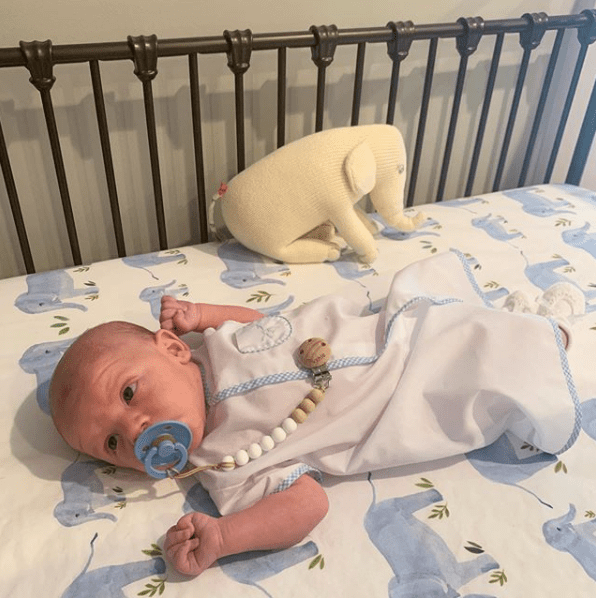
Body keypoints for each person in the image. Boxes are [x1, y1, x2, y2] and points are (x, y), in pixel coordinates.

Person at [49, 251, 585, 577]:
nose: (134, 428)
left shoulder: (214, 344)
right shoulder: (226, 467)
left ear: (172, 348)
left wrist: (206, 313)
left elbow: (264, 323)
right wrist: (226, 537)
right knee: (476, 374)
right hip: (396, 394)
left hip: (378, 330)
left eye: (128, 393)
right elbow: (307, 503)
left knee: (441, 320)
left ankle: (514, 322)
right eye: (112, 444)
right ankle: (538, 337)